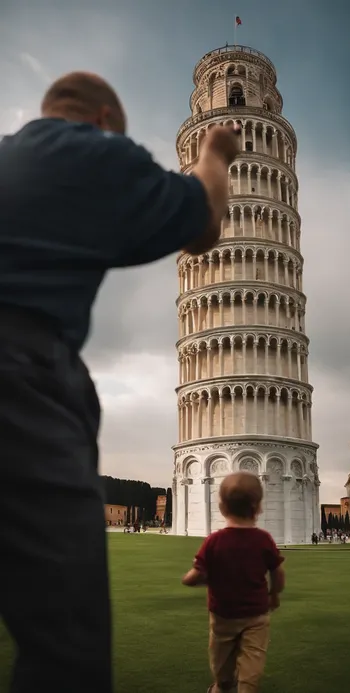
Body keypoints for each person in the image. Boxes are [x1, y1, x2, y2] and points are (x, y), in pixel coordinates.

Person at [0, 71, 239, 693]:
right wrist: (213, 155)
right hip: (21, 380)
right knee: (63, 642)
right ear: (105, 118)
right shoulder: (96, 153)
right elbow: (206, 223)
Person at [182, 472, 285, 693]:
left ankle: (222, 685)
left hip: (222, 617)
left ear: (221, 508)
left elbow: (194, 576)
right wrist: (274, 594)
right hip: (256, 615)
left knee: (221, 660)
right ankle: (247, 686)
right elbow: (278, 572)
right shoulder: (264, 539)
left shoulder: (213, 541)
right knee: (253, 661)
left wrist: (192, 579)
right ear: (258, 508)